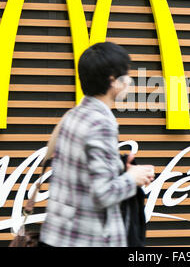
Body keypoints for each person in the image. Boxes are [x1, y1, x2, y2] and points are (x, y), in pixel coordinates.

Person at [39, 42, 155, 247]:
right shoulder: (101, 123)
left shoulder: (75, 114)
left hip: (59, 234)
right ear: (113, 80)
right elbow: (103, 194)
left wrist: (119, 169)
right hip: (87, 238)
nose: (130, 80)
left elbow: (80, 175)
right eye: (125, 74)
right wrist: (131, 177)